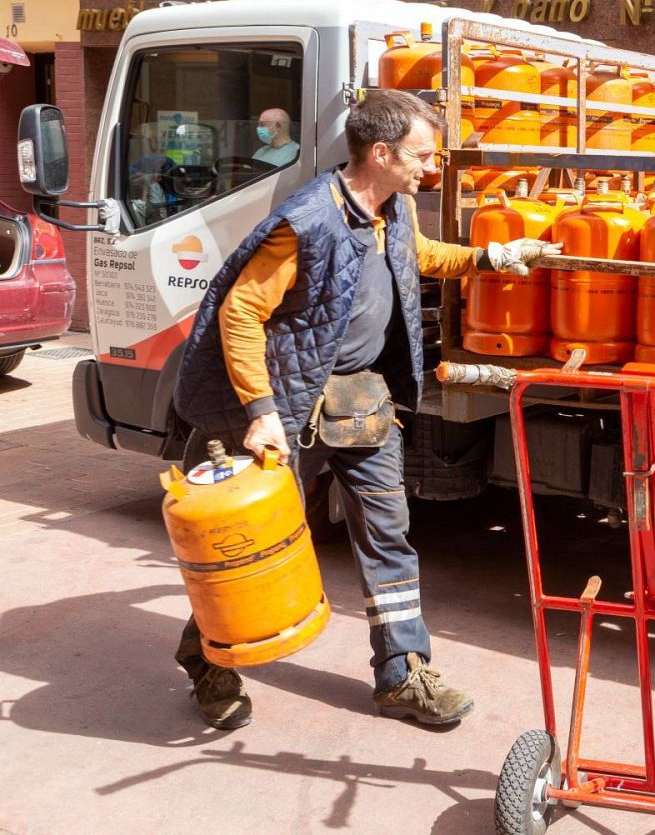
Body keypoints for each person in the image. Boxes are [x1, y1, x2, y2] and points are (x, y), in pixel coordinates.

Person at [172, 90, 558, 729]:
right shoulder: (308, 222)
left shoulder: (395, 207)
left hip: (360, 399)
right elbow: (240, 312)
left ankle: (403, 674)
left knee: (388, 535)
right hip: (286, 406)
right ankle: (210, 662)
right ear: (379, 153)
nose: (430, 168)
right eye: (420, 155)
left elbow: (420, 259)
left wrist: (490, 258)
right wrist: (262, 410)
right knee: (249, 543)